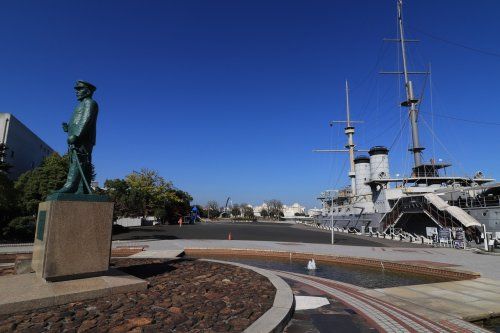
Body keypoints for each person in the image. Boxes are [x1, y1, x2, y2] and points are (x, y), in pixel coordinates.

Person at [54, 80, 98, 194]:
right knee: (80, 161)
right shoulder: (81, 104)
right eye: (76, 89)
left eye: (80, 89)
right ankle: (81, 189)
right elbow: (79, 121)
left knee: (78, 161)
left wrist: (77, 135)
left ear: (88, 91)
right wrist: (68, 129)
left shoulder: (90, 103)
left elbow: (86, 120)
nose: (76, 92)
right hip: (77, 138)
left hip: (82, 138)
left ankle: (70, 186)